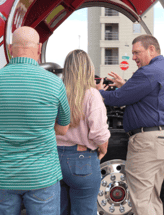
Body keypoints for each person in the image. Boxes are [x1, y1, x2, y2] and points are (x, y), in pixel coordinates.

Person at [0, 26, 70, 215]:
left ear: (10, 48)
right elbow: (63, 129)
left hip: (3, 176)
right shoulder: (54, 83)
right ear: (39, 48)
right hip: (42, 177)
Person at [96, 34, 164, 215]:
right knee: (152, 197)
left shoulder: (148, 72)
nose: (133, 57)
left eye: (136, 52)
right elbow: (148, 98)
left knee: (140, 198)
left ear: (151, 49)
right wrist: (126, 85)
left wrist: (97, 94)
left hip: (147, 142)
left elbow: (120, 98)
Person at [56, 49, 110, 215]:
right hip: (81, 160)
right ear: (89, 69)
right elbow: (98, 132)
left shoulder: (57, 92)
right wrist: (103, 149)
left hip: (54, 158)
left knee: (58, 210)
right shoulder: (92, 95)